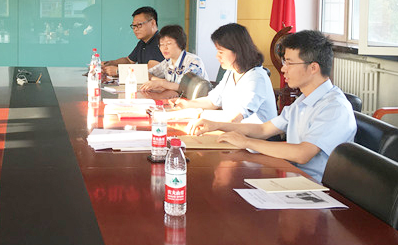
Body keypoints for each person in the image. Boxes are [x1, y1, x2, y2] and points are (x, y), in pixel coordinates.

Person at [191, 29, 357, 183]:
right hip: (292, 177)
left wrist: (246, 142)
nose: (283, 69)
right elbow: (264, 129)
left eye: (289, 63)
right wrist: (215, 125)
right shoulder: (303, 100)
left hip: (315, 188)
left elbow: (302, 153)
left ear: (313, 68)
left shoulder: (334, 107)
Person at [173, 22, 277, 123]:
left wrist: (200, 115)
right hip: (236, 130)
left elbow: (236, 117)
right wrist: (187, 104)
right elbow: (213, 101)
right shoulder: (231, 72)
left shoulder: (256, 78)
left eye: (221, 52)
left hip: (254, 133)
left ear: (237, 51)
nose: (217, 56)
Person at [141, 25, 208, 93]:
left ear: (180, 43)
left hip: (197, 98)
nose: (164, 48)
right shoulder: (167, 62)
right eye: (161, 44)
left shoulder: (194, 61)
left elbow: (186, 87)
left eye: (168, 43)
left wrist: (162, 83)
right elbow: (146, 74)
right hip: (175, 97)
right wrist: (158, 80)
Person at [102, 6, 164, 77]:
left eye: (139, 25)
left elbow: (150, 71)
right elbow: (129, 60)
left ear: (153, 23)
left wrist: (118, 71)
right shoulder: (142, 42)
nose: (135, 29)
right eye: (134, 26)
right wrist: (109, 63)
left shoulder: (161, 42)